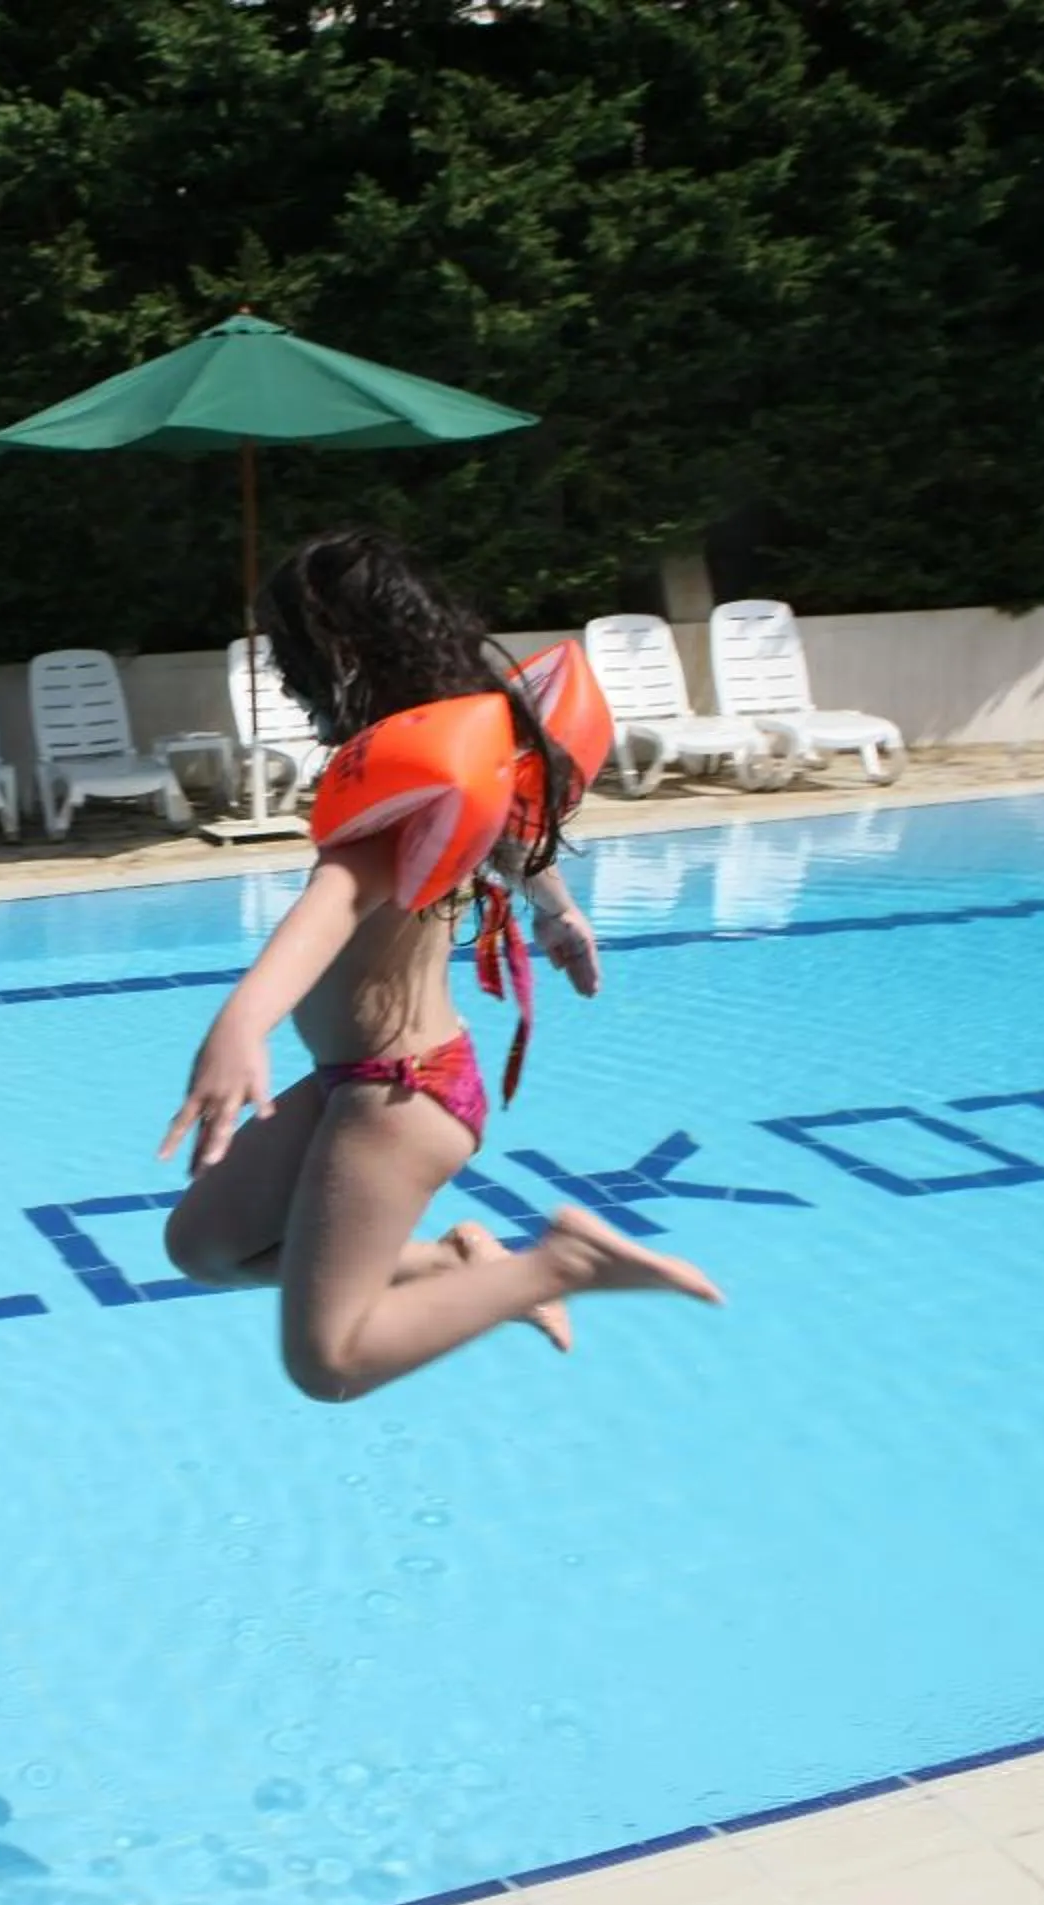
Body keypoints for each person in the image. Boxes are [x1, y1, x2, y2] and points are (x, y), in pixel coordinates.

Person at [160, 529, 721, 1402]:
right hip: (360, 1076)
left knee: (329, 1363)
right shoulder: (440, 764)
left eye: (282, 649)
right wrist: (559, 911)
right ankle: (457, 1260)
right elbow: (513, 839)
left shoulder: (399, 795)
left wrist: (240, 1025)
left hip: (403, 1089)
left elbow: (332, 905)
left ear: (332, 653)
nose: (277, 670)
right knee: (202, 1246)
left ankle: (559, 1264)